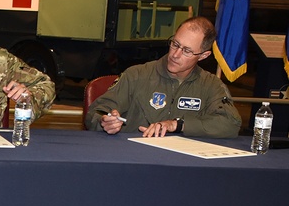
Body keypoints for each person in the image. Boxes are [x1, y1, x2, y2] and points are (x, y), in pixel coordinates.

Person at [86, 16, 242, 138]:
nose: (175, 54)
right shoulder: (136, 75)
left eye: (187, 51)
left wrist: (178, 125)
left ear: (203, 56)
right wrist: (104, 121)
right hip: (135, 158)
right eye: (175, 43)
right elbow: (95, 112)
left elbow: (231, 123)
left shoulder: (210, 85)